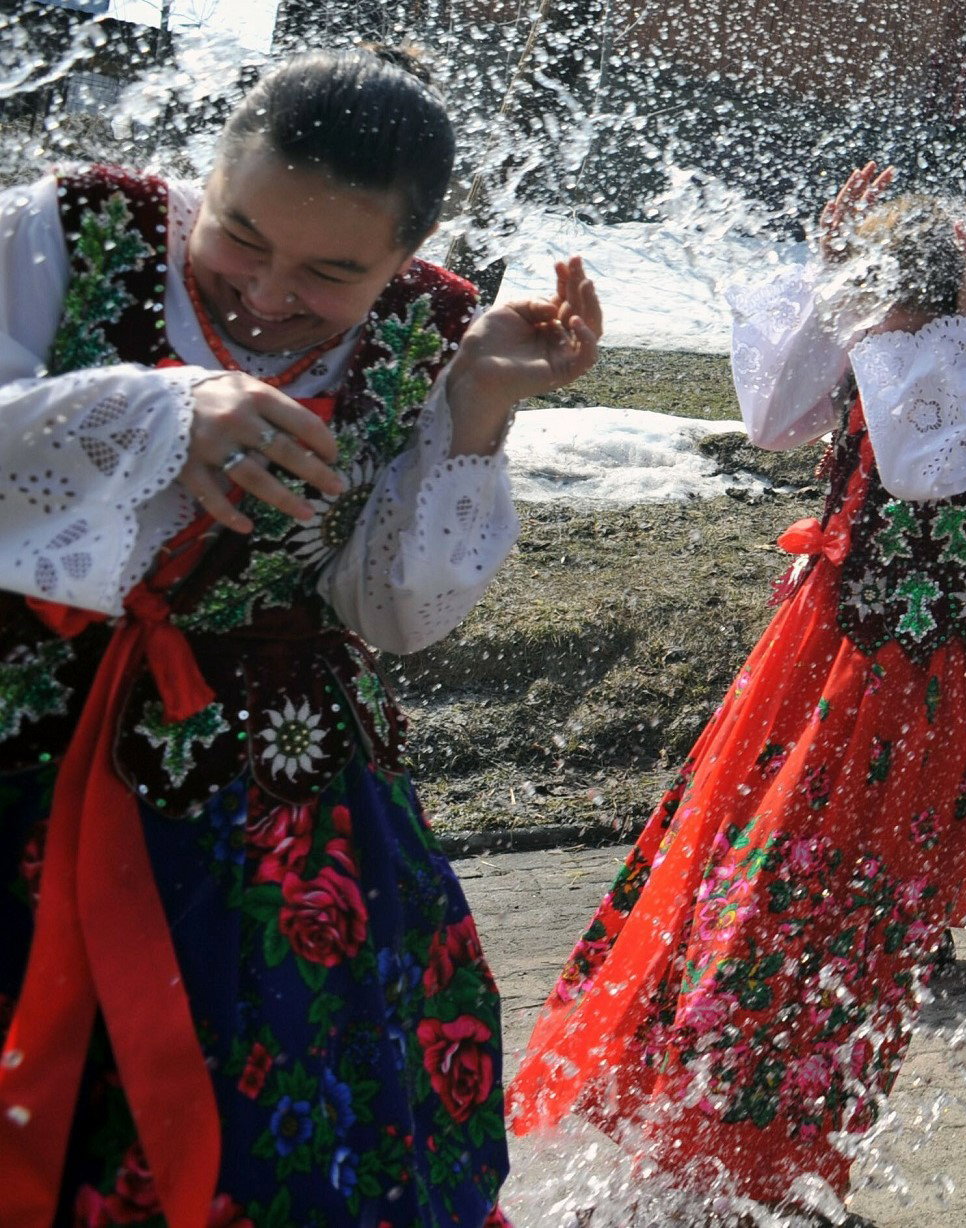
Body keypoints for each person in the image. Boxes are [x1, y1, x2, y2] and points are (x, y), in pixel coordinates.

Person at [0, 47, 603, 1226]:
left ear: (401, 257)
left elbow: (392, 611)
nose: (268, 293)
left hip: (275, 792)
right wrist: (159, 405)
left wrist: (478, 404)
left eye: (332, 271)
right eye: (238, 237)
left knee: (288, 1127)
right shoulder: (72, 230)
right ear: (207, 177)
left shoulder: (430, 332)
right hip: (23, 733)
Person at [507, 166, 966, 1224]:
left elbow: (913, 460)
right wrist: (832, 284)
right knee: (743, 875)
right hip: (823, 651)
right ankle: (696, 1140)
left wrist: (916, 317)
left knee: (841, 914)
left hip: (928, 676)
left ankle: (762, 1157)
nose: (874, 323)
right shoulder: (903, 339)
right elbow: (771, 413)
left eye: (887, 301)